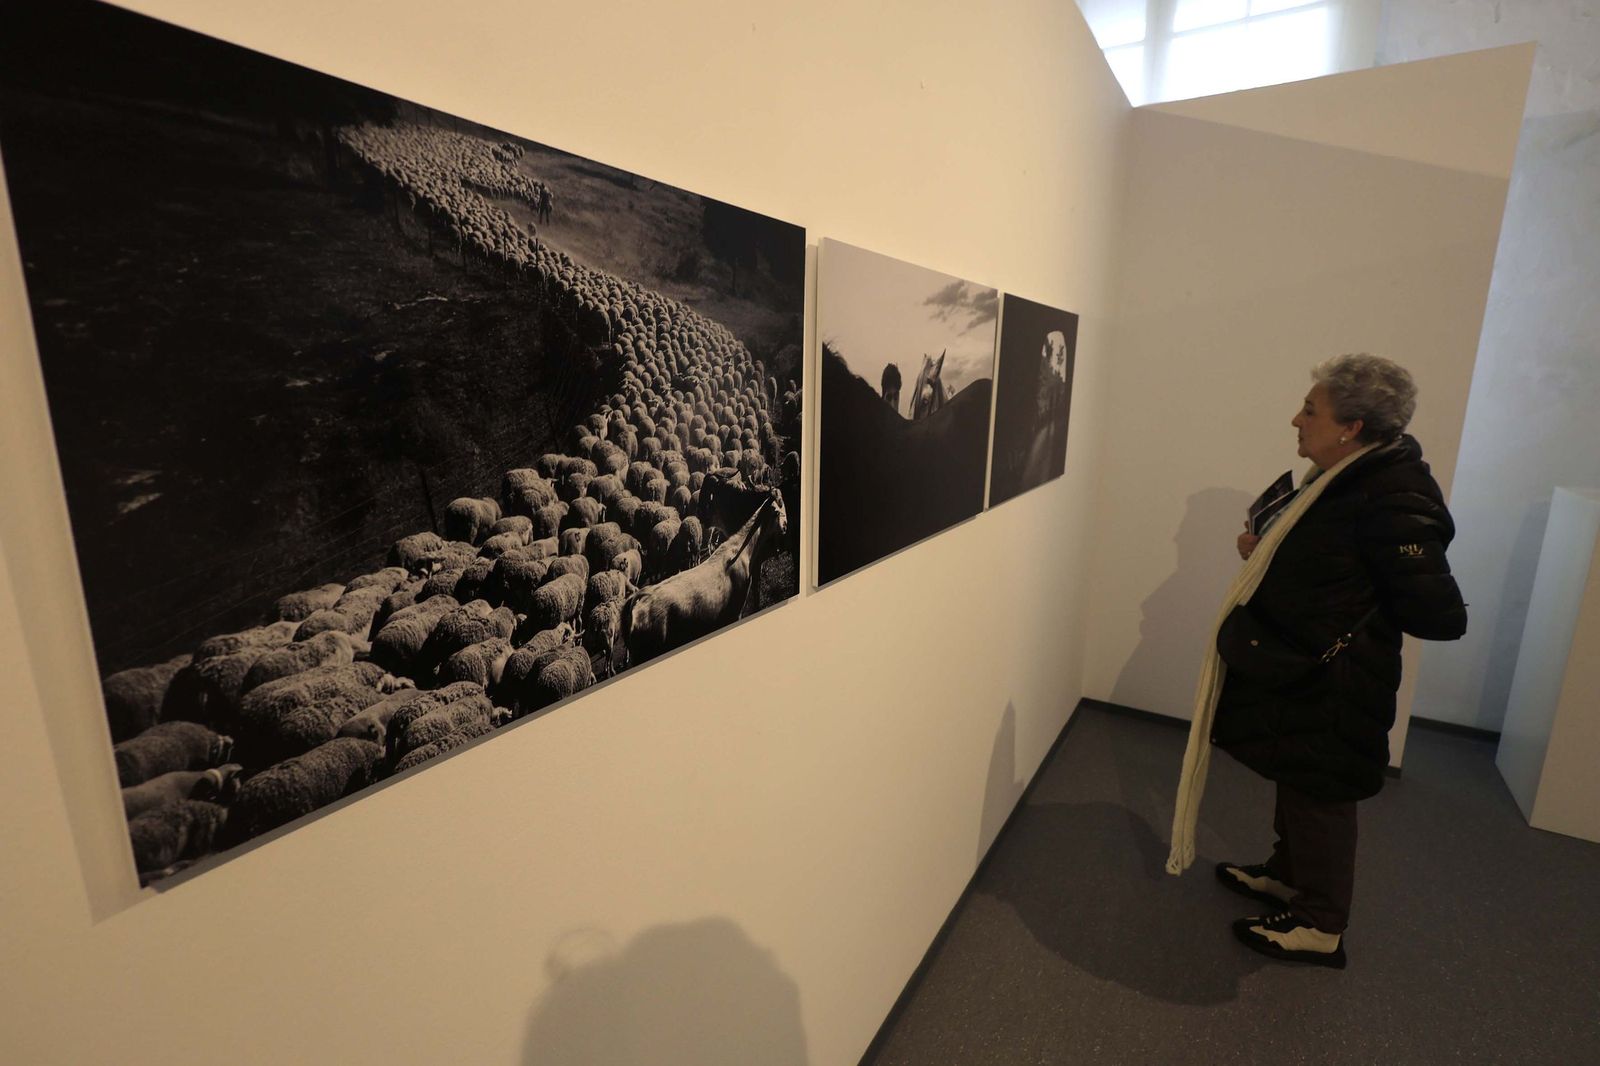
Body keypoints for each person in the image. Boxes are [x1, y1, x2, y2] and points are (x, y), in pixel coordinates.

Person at [1166, 353, 1467, 969]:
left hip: (1337, 682)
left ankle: (1321, 923)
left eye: (1311, 409)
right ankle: (1288, 875)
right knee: (1298, 778)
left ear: (1351, 426)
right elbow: (1334, 559)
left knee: (1321, 797)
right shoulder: (1345, 479)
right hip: (1303, 675)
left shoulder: (1392, 494)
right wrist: (1267, 546)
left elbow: (1439, 615)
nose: (1296, 419)